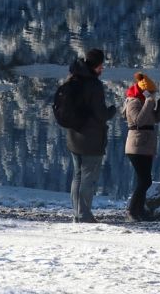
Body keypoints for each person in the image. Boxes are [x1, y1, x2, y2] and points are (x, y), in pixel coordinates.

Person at [65, 48, 116, 223]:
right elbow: (101, 114)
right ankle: (84, 215)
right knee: (88, 179)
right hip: (91, 141)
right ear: (95, 66)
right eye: (101, 66)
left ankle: (77, 214)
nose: (102, 69)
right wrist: (112, 110)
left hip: (73, 137)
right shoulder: (93, 85)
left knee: (77, 177)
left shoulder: (72, 79)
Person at [123, 72, 160, 221]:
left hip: (146, 145)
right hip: (136, 146)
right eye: (151, 92)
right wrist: (149, 102)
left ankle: (140, 211)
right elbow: (138, 122)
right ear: (144, 90)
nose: (153, 95)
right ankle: (132, 210)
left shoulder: (144, 101)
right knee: (145, 180)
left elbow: (155, 119)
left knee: (145, 179)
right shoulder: (133, 102)